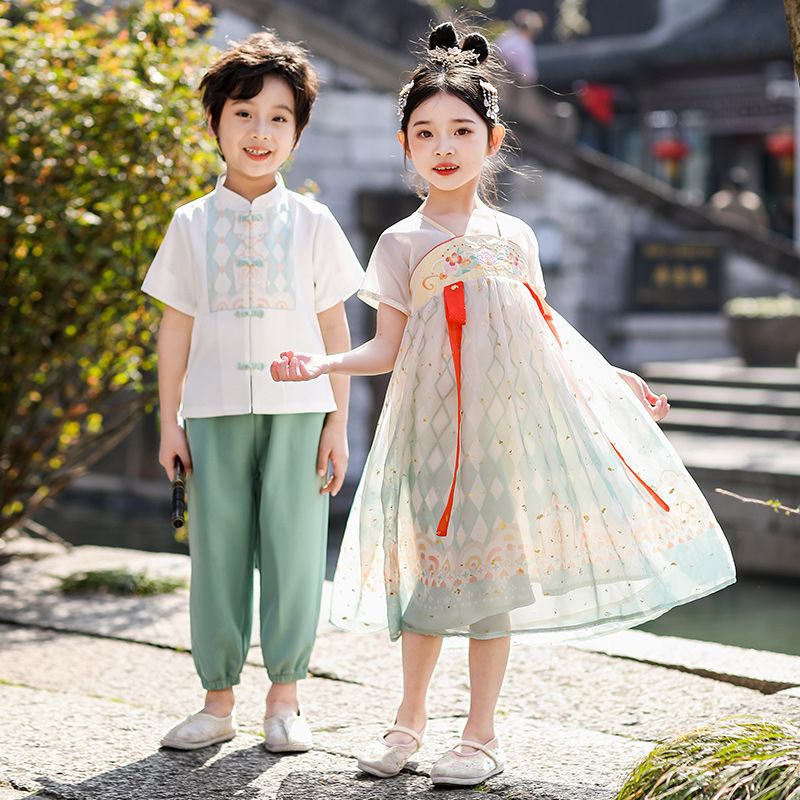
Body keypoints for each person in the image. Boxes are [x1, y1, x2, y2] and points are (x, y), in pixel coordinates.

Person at [272, 22, 736, 787]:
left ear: (494, 139)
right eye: (426, 132)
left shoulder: (515, 236)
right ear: (404, 144)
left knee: (491, 589)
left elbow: (544, 333)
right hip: (429, 432)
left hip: (501, 434)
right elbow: (385, 348)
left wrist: (611, 377)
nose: (444, 146)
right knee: (427, 584)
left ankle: (480, 732)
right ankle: (407, 722)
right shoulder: (399, 243)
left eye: (461, 130)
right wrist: (321, 362)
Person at [142, 31, 364, 753]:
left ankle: (287, 699)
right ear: (214, 125)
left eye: (278, 117)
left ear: (296, 133)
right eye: (243, 114)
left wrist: (339, 424)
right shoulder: (189, 224)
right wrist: (169, 423)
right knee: (217, 552)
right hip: (210, 410)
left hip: (301, 410)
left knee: (297, 552)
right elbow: (175, 328)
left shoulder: (313, 223)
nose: (259, 131)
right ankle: (216, 700)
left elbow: (337, 329)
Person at [494, 9, 546, 85]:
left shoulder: (507, 35)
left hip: (493, 75)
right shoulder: (524, 45)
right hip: (506, 82)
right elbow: (528, 75)